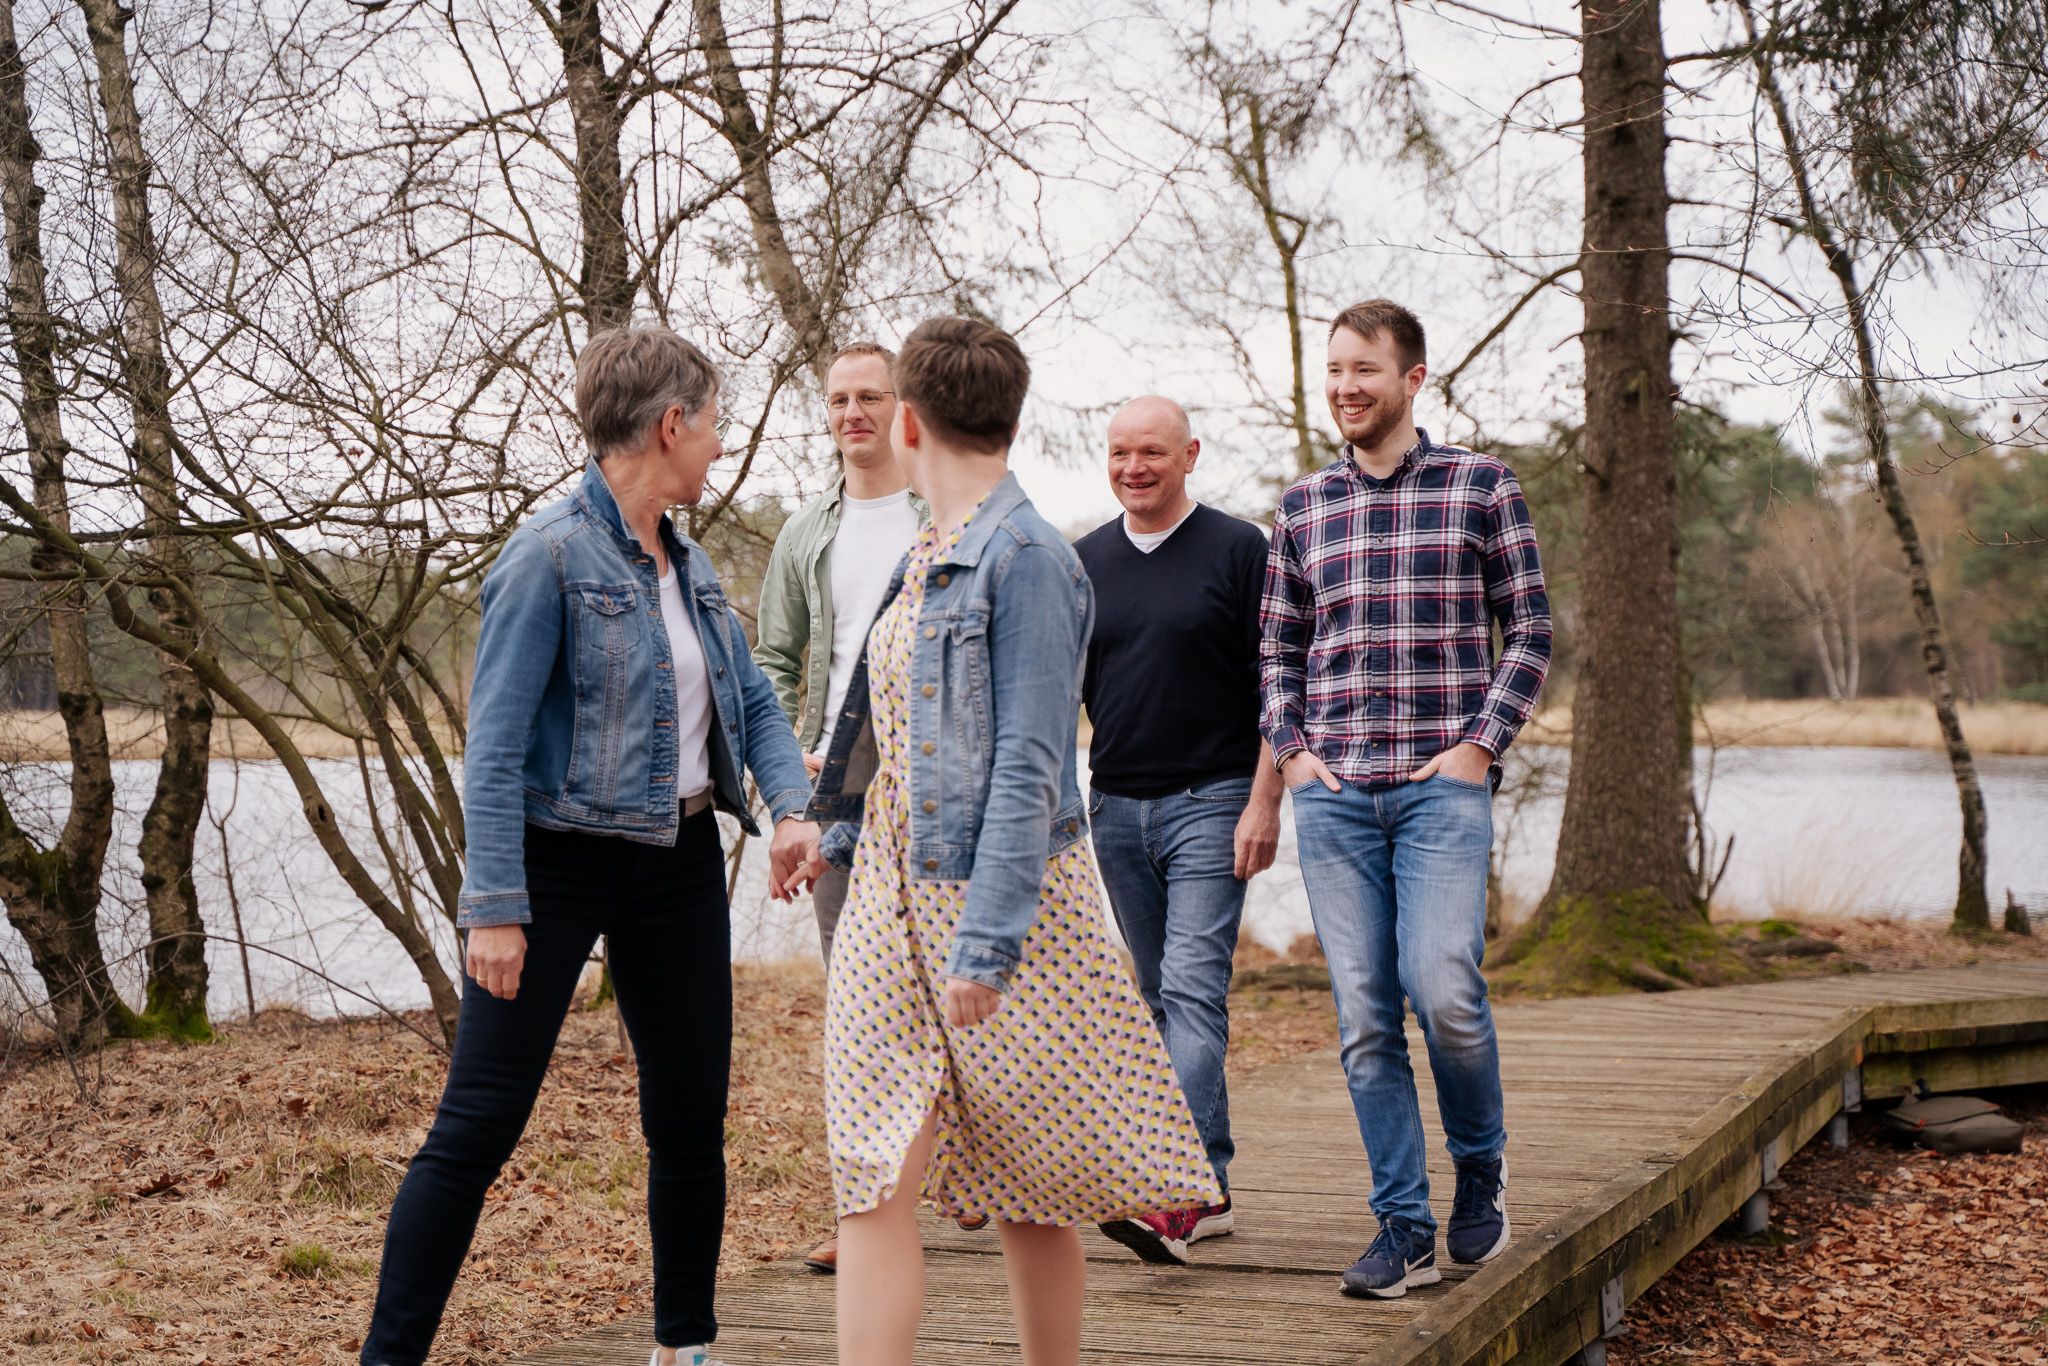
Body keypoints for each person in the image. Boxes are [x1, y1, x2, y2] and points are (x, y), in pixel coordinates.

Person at [361, 323, 818, 1366]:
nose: (715, 446)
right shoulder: (547, 555)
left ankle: (683, 1346)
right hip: (554, 863)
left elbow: (749, 696)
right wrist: (493, 904)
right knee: (476, 1125)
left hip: (679, 863)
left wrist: (789, 807)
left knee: (689, 1118)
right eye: (709, 426)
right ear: (670, 424)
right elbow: (496, 741)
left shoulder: (692, 565)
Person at [781, 318, 1219, 1366]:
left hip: (1004, 908)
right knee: (871, 1170)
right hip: (889, 897)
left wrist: (985, 942)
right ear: (1013, 420)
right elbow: (889, 733)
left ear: (909, 420)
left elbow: (1031, 762)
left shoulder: (1027, 561)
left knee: (1032, 1182)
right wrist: (828, 830)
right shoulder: (925, 549)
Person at [1260, 299, 1551, 1300]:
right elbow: (1275, 649)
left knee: (1443, 992)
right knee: (1363, 1020)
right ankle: (1401, 1227)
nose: (1345, 386)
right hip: (1333, 796)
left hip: (1439, 792)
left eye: (1364, 371)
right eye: (1334, 369)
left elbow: (1529, 631)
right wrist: (1292, 753)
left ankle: (1480, 1164)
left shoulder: (1479, 485)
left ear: (1412, 377)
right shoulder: (1299, 507)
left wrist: (1479, 744)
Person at [1073, 396, 1281, 1266]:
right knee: (1160, 998)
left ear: (1190, 453)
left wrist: (1266, 801)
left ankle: (1171, 1190)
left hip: (1215, 800)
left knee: (1193, 993)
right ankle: (1214, 1187)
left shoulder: (1239, 550)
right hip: (1116, 807)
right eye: (1120, 452)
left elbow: (1282, 683)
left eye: (1151, 451)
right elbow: (1064, 689)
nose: (1134, 468)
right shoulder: (1082, 561)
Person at [753, 341, 930, 1274]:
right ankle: (860, 1213)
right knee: (856, 1012)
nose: (852, 413)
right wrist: (792, 773)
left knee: (952, 991)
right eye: (837, 400)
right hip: (833, 786)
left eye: (870, 396)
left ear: (904, 406)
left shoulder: (945, 512)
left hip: (931, 784)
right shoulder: (805, 531)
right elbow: (775, 663)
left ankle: (962, 1172)